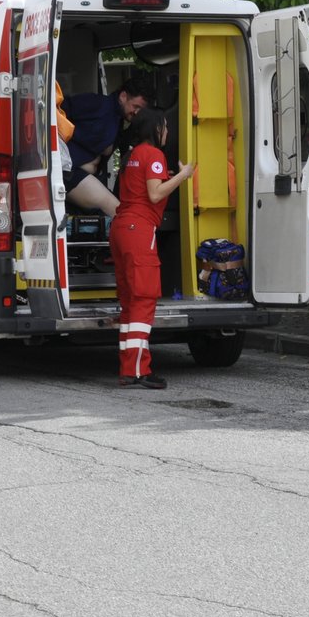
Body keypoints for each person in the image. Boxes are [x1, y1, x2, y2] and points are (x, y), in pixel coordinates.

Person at [110, 106, 195, 389]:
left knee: (129, 303)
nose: (168, 132)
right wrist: (184, 175)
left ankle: (128, 367)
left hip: (121, 228)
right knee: (144, 300)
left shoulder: (131, 155)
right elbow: (155, 193)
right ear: (155, 129)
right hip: (139, 230)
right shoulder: (154, 154)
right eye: (165, 127)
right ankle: (138, 371)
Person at [62, 74, 153, 218]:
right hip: (68, 170)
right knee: (116, 210)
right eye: (135, 106)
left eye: (140, 110)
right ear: (123, 96)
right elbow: (59, 110)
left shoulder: (119, 122)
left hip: (82, 174)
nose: (136, 112)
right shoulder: (98, 104)